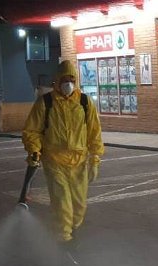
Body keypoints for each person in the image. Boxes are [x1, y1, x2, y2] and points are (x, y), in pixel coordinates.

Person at [22, 60, 104, 243]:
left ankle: (72, 229)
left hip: (79, 161)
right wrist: (34, 150)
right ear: (57, 80)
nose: (68, 83)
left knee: (79, 203)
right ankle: (63, 237)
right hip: (54, 160)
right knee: (62, 201)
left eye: (71, 79)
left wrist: (95, 158)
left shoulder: (84, 102)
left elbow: (94, 131)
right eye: (64, 79)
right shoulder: (46, 102)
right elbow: (32, 130)